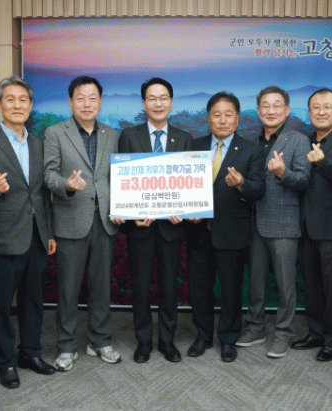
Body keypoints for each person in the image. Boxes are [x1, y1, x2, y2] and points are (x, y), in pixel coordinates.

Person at [0, 75, 56, 389]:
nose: (17, 105)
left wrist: (48, 232)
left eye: (23, 100)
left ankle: (30, 353)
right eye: (10, 99)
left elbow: (41, 194)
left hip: (36, 236)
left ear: (30, 105)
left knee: (34, 300)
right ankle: (5, 362)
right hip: (3, 237)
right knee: (2, 305)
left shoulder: (38, 144)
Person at [44, 76, 122, 371]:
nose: (87, 104)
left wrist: (121, 206)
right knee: (68, 288)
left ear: (100, 102)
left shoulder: (112, 134)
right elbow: (48, 174)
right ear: (70, 102)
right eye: (80, 98)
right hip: (70, 219)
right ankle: (66, 346)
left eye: (92, 98)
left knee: (101, 286)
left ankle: (100, 341)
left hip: (104, 220)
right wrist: (66, 184)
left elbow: (118, 178)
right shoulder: (55, 133)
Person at [186, 92, 265, 362]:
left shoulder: (251, 150)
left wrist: (242, 183)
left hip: (232, 231)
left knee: (231, 289)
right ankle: (203, 336)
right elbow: (182, 187)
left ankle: (229, 338)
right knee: (200, 288)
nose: (222, 120)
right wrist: (187, 211)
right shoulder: (193, 147)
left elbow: (259, 189)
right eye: (216, 115)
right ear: (208, 118)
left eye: (228, 114)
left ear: (237, 119)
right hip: (197, 231)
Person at [118, 78, 193, 363]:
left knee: (169, 286)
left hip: (171, 226)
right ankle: (143, 341)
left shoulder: (184, 138)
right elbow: (121, 180)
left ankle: (167, 341)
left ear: (171, 102)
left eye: (163, 98)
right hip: (141, 227)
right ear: (143, 103)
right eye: (152, 98)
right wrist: (131, 214)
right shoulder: (129, 135)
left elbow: (188, 183)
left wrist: (183, 208)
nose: (158, 103)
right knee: (140, 286)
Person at [237, 86, 311, 358]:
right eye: (265, 105)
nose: (271, 110)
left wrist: (282, 173)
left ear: (287, 110)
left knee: (285, 285)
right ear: (258, 111)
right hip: (254, 222)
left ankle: (284, 332)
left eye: (277, 105)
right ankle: (255, 327)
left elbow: (304, 181)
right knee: (256, 282)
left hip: (284, 223)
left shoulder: (298, 140)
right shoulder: (250, 140)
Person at [291, 88, 332, 362]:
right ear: (309, 113)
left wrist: (323, 163)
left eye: (327, 106)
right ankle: (315, 333)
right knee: (312, 285)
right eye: (315, 107)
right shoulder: (303, 141)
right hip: (305, 226)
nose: (321, 111)